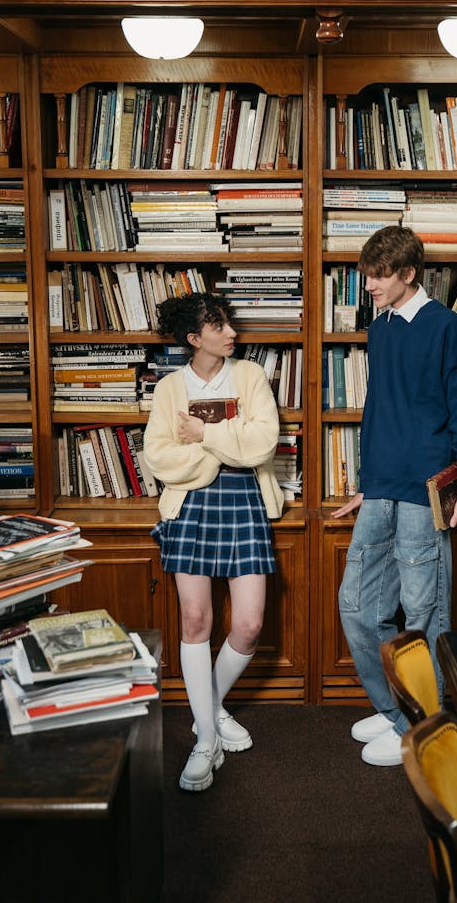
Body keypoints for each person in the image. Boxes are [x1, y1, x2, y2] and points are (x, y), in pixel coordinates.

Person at [332, 225, 457, 767]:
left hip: (427, 493)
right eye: (367, 275)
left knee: (424, 617)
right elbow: (377, 410)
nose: (368, 286)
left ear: (408, 274)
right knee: (356, 606)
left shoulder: (447, 328)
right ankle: (398, 712)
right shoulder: (381, 328)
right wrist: (365, 484)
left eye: (378, 277)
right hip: (382, 490)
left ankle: (426, 728)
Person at [144, 292, 284, 792]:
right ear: (193, 338)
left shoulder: (249, 376)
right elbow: (158, 458)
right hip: (190, 506)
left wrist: (203, 432)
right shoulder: (169, 389)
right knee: (196, 620)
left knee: (248, 625)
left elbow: (263, 444)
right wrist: (222, 446)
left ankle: (211, 710)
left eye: (229, 322)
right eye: (219, 325)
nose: (231, 333)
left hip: (245, 502)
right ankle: (206, 738)